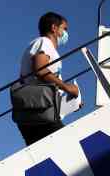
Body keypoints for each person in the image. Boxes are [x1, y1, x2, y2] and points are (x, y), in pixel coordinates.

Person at [17, 12, 79, 145]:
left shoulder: (38, 45)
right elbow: (40, 70)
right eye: (64, 29)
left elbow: (28, 79)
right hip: (41, 112)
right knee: (68, 147)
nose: (66, 34)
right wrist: (67, 87)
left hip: (36, 110)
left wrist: (71, 104)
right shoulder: (44, 43)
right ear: (54, 28)